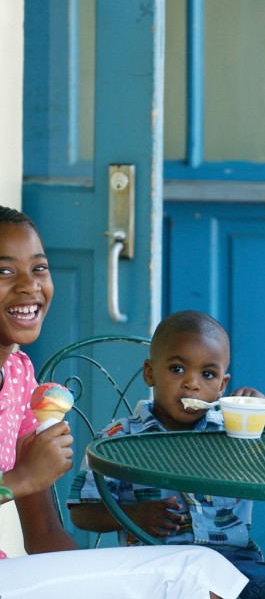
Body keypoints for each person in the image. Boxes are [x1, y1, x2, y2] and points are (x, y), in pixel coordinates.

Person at [0, 206, 248, 599]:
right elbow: (27, 485)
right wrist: (22, 479)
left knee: (202, 573)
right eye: (5, 271)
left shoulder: (18, 376)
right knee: (196, 572)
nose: (30, 286)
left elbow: (44, 534)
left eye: (40, 268)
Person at [67, 310, 265, 599]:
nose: (192, 383)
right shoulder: (119, 439)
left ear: (222, 385)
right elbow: (81, 511)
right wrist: (132, 516)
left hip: (236, 562)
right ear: (150, 373)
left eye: (207, 374)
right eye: (177, 369)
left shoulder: (236, 431)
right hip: (155, 565)